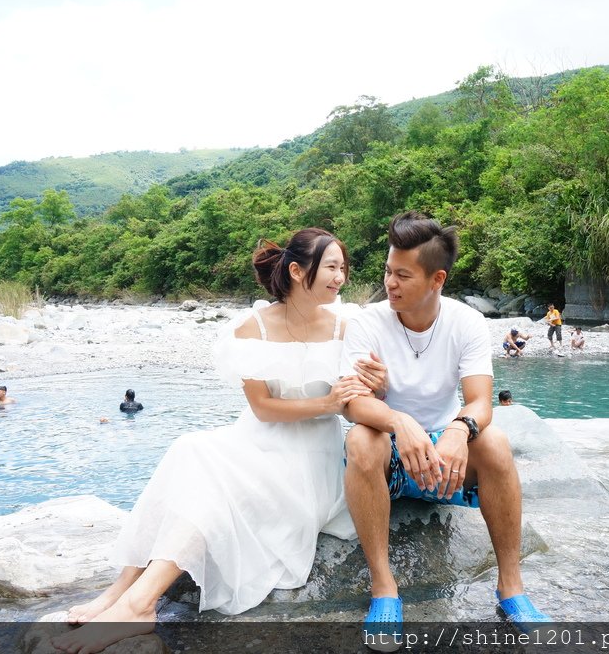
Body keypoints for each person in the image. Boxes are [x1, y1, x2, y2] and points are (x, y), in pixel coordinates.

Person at [53, 228, 385, 654]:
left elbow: (370, 397)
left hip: (308, 458)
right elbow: (263, 408)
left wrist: (376, 386)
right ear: (299, 270)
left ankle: (139, 605)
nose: (341, 277)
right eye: (333, 267)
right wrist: (328, 401)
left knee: (207, 473)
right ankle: (118, 594)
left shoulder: (349, 325)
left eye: (344, 268)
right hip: (256, 439)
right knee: (190, 448)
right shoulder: (253, 328)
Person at [341, 212, 548, 648]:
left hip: (446, 462)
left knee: (493, 440)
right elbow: (352, 403)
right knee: (361, 438)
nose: (389, 283)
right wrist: (399, 420)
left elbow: (479, 400)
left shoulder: (466, 322)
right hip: (390, 458)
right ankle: (385, 589)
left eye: (401, 274)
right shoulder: (366, 322)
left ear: (436, 279)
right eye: (386, 271)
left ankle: (511, 588)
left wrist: (458, 431)